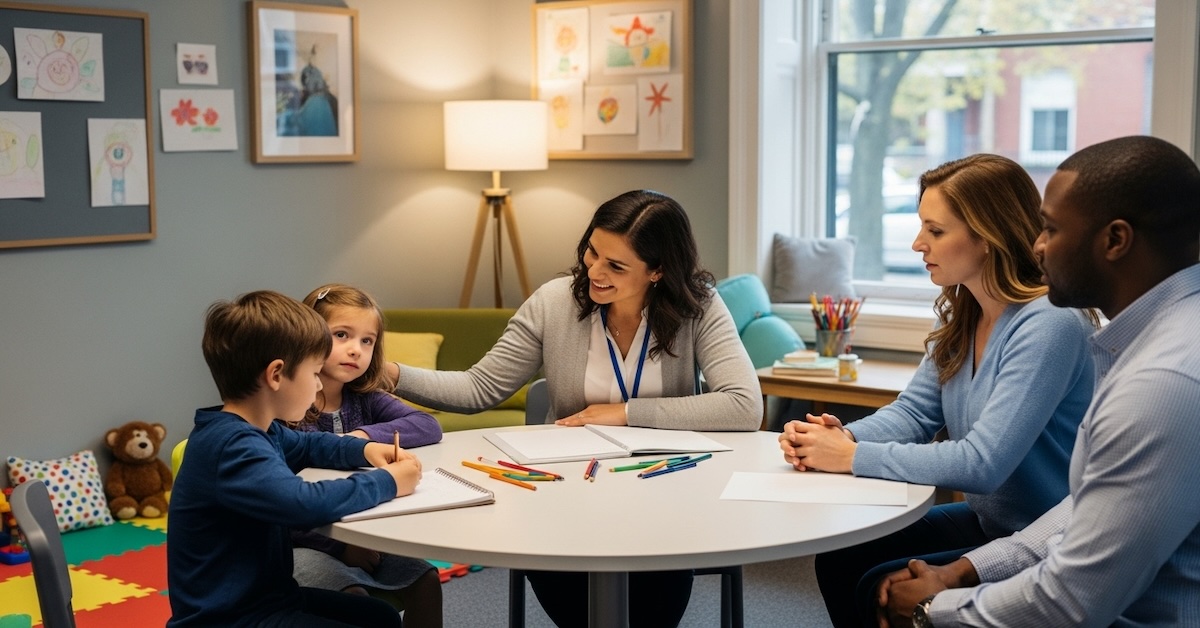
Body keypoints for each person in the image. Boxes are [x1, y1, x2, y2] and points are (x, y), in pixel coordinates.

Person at [390, 189, 763, 627]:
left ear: (658, 270)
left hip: (664, 494)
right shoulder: (555, 302)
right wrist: (391, 373)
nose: (594, 272)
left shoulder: (698, 306)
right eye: (592, 252)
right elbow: (480, 387)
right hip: (566, 494)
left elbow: (743, 405)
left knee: (653, 603)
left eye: (616, 266)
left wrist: (626, 412)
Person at [875, 135, 1200, 627]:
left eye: (1051, 228)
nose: (1037, 245)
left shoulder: (1159, 382)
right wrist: (966, 570)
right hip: (1053, 559)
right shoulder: (1152, 338)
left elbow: (1071, 601)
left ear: (1115, 240)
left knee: (883, 590)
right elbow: (1087, 508)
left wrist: (931, 610)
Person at [777, 154, 1096, 628]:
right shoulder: (965, 312)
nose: (917, 243)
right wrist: (838, 436)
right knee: (842, 555)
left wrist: (850, 456)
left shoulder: (1050, 324)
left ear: (987, 236)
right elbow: (913, 414)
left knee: (880, 584)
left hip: (1048, 538)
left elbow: (982, 464)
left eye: (936, 230)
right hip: (992, 522)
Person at [167, 290, 422, 627]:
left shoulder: (261, 430)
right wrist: (387, 482)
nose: (318, 386)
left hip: (268, 598)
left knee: (381, 617)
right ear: (276, 375)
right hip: (228, 619)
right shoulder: (233, 446)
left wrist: (364, 449)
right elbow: (303, 503)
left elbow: (309, 445)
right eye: (315, 373)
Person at [288, 284, 443, 628]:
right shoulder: (290, 410)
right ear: (308, 337)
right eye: (341, 335)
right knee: (353, 600)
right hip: (306, 544)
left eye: (367, 341)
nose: (355, 349)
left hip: (370, 535)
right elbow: (284, 509)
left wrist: (361, 439)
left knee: (427, 581)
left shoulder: (365, 398)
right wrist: (342, 548)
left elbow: (427, 425)